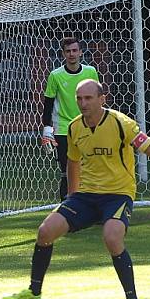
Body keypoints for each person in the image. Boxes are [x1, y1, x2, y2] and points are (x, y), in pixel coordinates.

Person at [4, 79, 150, 299]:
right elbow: (73, 161)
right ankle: (34, 291)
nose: (83, 103)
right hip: (85, 195)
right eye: (79, 98)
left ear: (102, 99)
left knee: (112, 236)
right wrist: (71, 197)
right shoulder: (75, 127)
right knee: (45, 231)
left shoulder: (121, 123)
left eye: (88, 98)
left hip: (117, 195)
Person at [41, 36, 101, 200]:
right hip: (63, 129)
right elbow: (48, 104)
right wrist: (47, 130)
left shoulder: (90, 72)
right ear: (63, 54)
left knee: (91, 168)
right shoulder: (55, 75)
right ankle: (66, 210)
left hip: (88, 126)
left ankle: (93, 209)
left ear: (81, 52)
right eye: (68, 51)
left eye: (75, 50)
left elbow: (97, 98)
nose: (72, 54)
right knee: (67, 171)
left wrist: (100, 123)